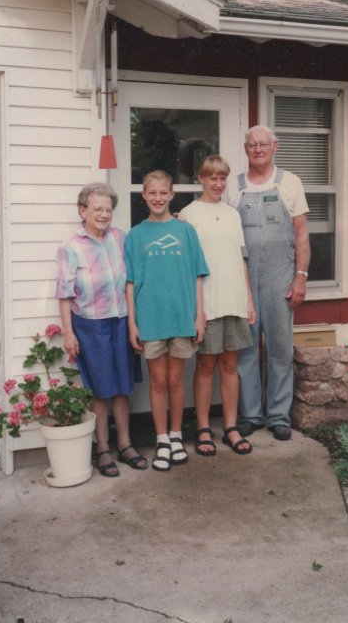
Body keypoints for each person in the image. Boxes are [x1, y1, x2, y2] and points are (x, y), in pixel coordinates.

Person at [56, 182, 148, 477]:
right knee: (100, 388)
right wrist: (68, 333)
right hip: (90, 325)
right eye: (98, 209)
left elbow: (141, 257)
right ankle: (103, 448)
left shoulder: (120, 238)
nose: (104, 214)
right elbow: (65, 294)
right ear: (82, 211)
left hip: (120, 321)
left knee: (122, 386)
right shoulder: (71, 247)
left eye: (108, 209)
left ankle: (125, 444)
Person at [226, 125, 310, 441]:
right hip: (244, 278)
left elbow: (301, 233)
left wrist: (300, 276)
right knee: (246, 347)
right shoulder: (234, 187)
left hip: (280, 276)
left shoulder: (290, 183)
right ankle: (250, 415)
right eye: (252, 145)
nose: (258, 149)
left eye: (264, 144)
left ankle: (278, 416)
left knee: (278, 346)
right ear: (246, 149)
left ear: (275, 147)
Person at [125, 170, 208, 472]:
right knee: (158, 382)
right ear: (144, 196)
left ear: (172, 195)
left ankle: (176, 436)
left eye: (164, 193)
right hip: (151, 319)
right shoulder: (135, 235)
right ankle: (161, 439)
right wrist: (133, 323)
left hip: (181, 317)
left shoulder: (186, 231)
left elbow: (198, 276)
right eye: (152, 193)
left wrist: (199, 315)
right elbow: (131, 283)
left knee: (176, 381)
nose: (158, 198)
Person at [180, 155, 255, 456]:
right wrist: (194, 309)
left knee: (230, 365)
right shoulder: (188, 214)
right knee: (206, 366)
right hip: (207, 302)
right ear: (201, 178)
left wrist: (248, 299)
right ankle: (202, 428)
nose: (218, 184)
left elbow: (242, 257)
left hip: (234, 299)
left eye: (222, 178)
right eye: (212, 178)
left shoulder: (233, 214)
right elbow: (187, 266)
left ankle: (231, 427)